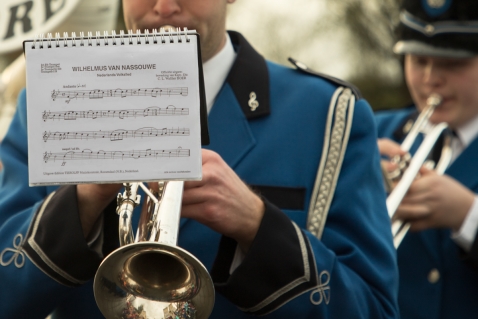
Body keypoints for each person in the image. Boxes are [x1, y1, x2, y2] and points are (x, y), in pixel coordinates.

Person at [0, 0, 399, 318]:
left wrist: (258, 225)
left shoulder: (328, 114)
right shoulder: (47, 102)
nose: (165, 6)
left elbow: (375, 310)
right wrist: (82, 200)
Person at [375, 0, 478, 318]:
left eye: (452, 63)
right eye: (419, 60)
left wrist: (468, 215)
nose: (431, 78)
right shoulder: (371, 134)